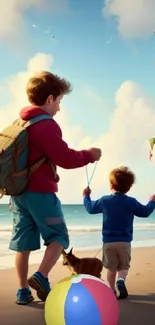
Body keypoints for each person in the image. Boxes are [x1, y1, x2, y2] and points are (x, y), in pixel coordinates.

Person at [9, 71, 102, 305]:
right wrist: (89, 155)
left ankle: (22, 292)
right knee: (58, 236)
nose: (59, 108)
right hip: (41, 192)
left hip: (18, 194)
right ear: (49, 99)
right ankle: (41, 275)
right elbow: (65, 158)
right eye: (59, 101)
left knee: (23, 243)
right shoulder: (45, 125)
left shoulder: (21, 122)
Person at [82, 166, 155, 299]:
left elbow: (90, 208)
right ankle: (120, 280)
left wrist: (86, 196)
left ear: (111, 185)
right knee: (123, 266)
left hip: (108, 242)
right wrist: (152, 202)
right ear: (129, 187)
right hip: (124, 242)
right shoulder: (131, 202)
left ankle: (111, 290)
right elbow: (145, 212)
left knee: (110, 268)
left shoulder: (105, 200)